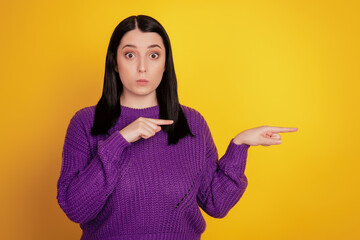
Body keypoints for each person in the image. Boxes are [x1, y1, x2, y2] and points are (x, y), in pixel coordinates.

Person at [56, 15, 298, 240]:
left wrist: (239, 145)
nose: (142, 67)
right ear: (115, 63)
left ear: (165, 63)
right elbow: (76, 208)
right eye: (130, 55)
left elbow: (215, 203)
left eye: (153, 55)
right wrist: (119, 140)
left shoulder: (192, 122)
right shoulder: (86, 122)